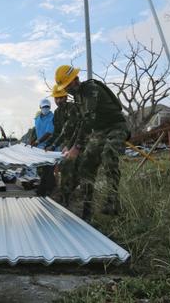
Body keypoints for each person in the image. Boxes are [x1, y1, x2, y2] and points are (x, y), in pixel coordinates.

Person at [55, 65, 130, 221]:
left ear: (76, 79)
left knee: (109, 155)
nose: (68, 90)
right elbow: (81, 123)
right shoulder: (78, 97)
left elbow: (89, 119)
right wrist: (70, 145)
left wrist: (77, 147)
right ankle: (87, 210)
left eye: (69, 85)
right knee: (85, 165)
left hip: (115, 126)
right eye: (65, 87)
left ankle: (113, 201)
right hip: (99, 131)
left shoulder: (90, 89)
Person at [44, 85, 80, 206]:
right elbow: (57, 132)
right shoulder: (57, 113)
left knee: (77, 171)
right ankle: (65, 198)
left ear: (65, 97)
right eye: (56, 98)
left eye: (61, 98)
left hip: (77, 142)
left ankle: (73, 198)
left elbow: (68, 130)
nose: (59, 101)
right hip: (66, 145)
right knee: (65, 170)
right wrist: (49, 144)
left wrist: (54, 146)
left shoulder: (72, 108)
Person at [28, 99, 55, 197]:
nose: (45, 109)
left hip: (49, 147)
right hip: (39, 148)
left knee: (48, 169)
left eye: (47, 107)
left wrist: (37, 141)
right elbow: (35, 131)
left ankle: (45, 191)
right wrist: (31, 141)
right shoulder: (38, 118)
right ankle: (48, 188)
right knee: (41, 170)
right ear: (40, 107)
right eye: (44, 107)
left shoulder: (52, 117)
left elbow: (49, 132)